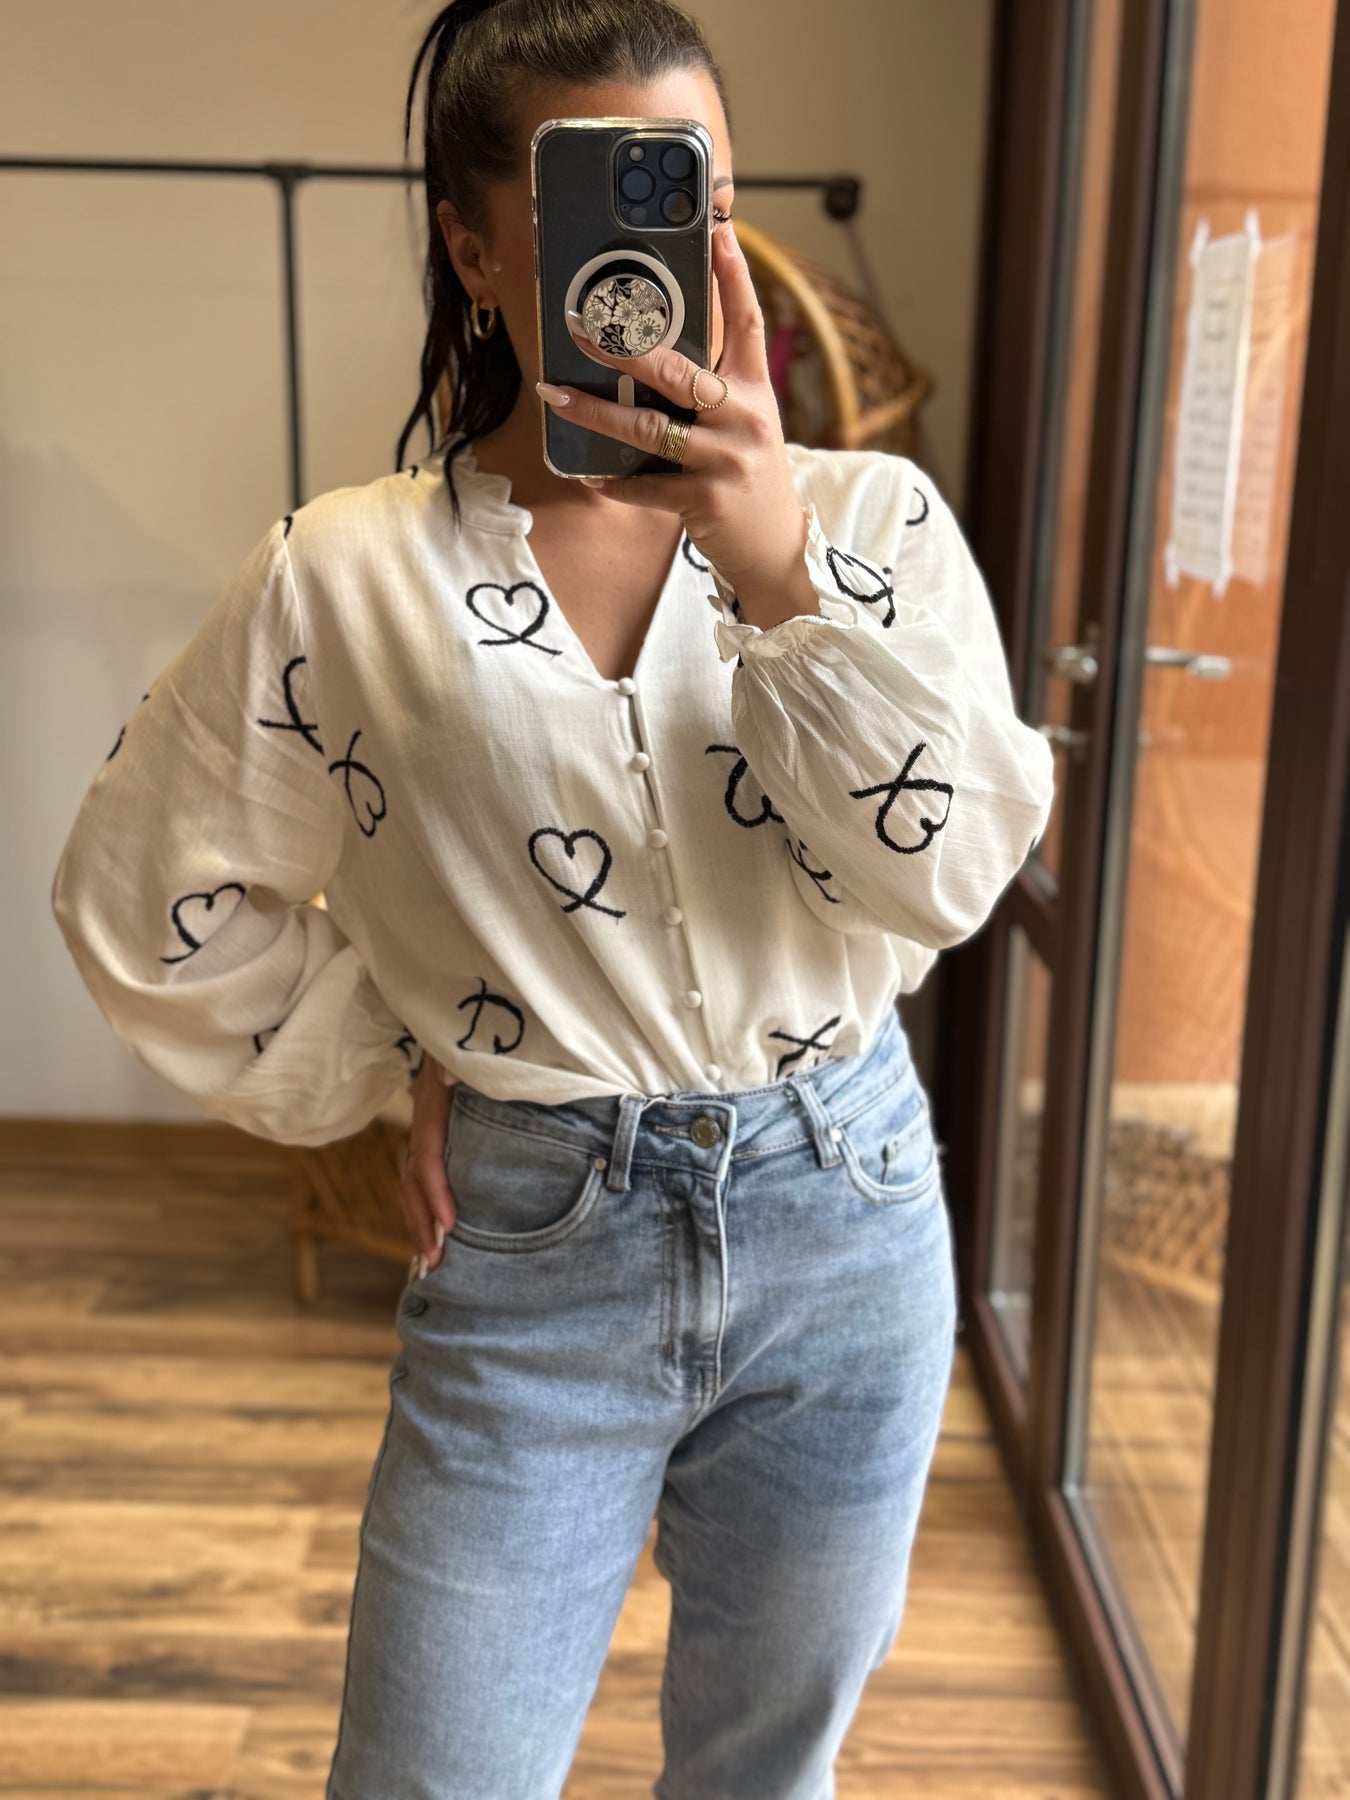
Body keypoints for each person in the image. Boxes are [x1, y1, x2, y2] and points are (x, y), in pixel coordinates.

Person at [49, 1, 1056, 1793]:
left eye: (701, 196)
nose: (666, 255)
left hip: (845, 1215)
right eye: (614, 193)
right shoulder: (346, 575)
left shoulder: (874, 525)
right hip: (532, 1243)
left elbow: (954, 872)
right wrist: (400, 1047)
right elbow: (143, 898)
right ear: (475, 246)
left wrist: (774, 568)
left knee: (767, 1766)